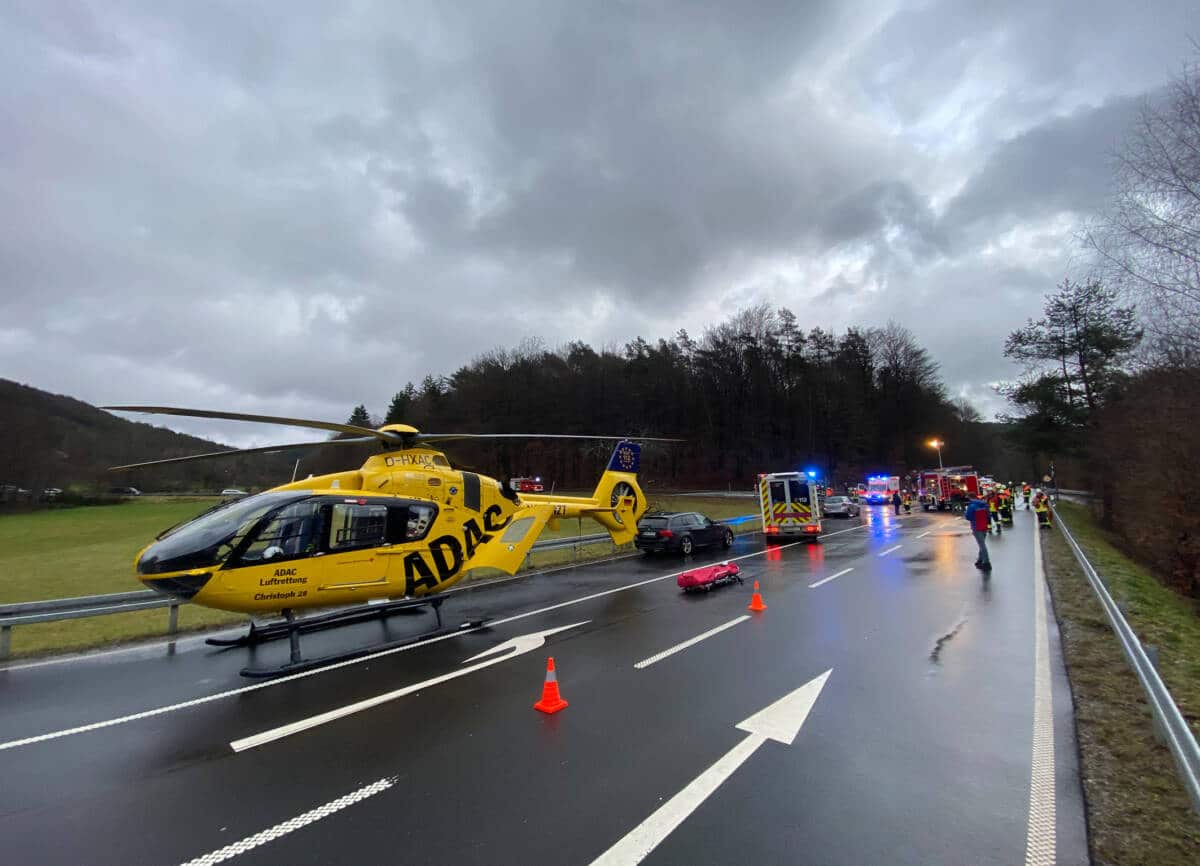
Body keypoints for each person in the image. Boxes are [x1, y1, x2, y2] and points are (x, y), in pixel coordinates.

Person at [964, 496, 992, 571]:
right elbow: (989, 515)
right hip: (984, 526)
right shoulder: (984, 504)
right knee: (982, 544)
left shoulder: (971, 506)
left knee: (982, 545)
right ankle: (980, 560)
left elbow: (968, 517)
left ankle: (986, 562)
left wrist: (965, 513)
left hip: (976, 527)